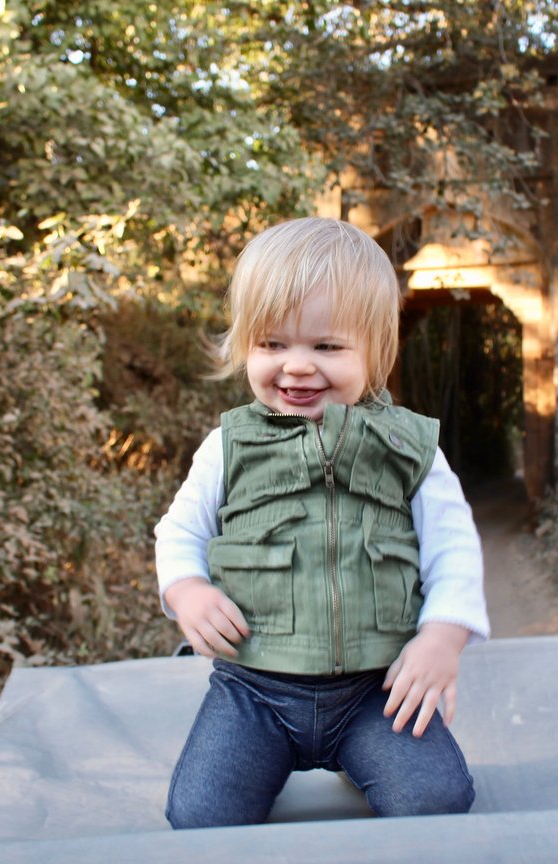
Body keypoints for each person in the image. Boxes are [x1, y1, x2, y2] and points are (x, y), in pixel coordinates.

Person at [154, 216, 489, 828]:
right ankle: (271, 758)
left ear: (375, 350)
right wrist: (187, 590)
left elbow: (454, 547)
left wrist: (443, 638)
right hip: (254, 689)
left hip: (375, 689)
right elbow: (179, 532)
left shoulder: (409, 446)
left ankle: (357, 753)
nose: (297, 367)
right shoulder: (228, 445)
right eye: (272, 345)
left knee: (435, 801)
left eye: (326, 347)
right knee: (199, 815)